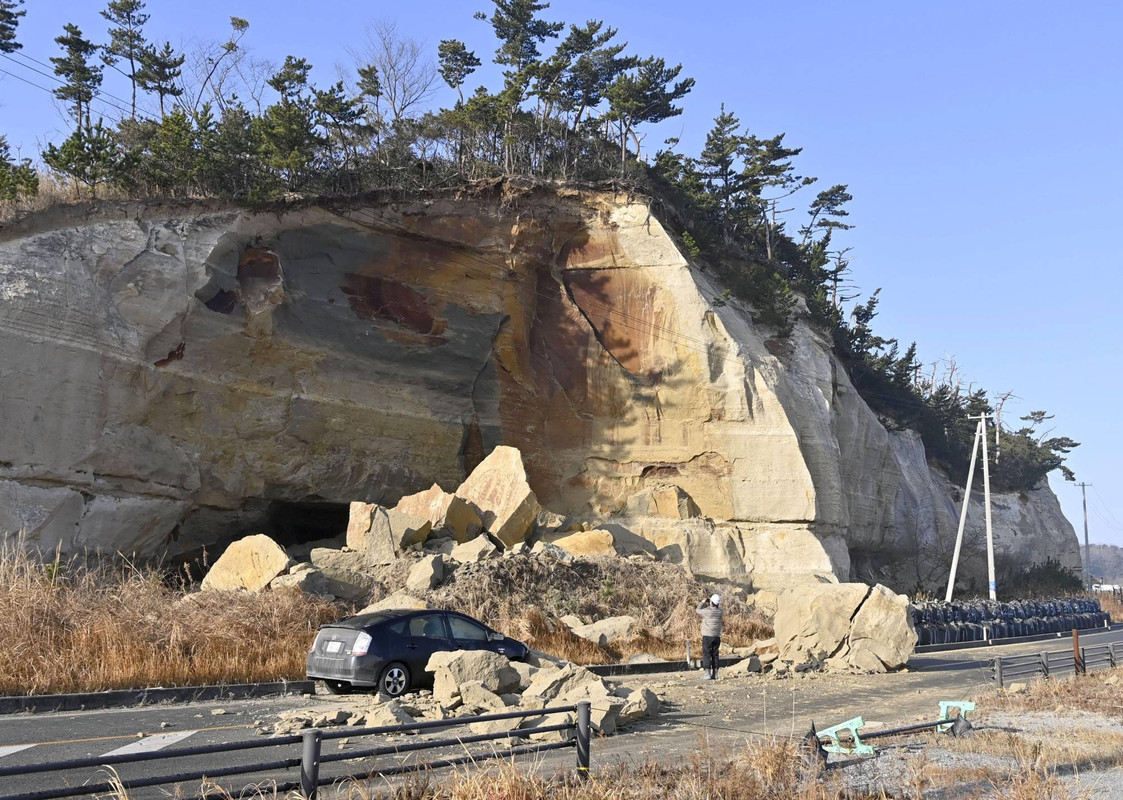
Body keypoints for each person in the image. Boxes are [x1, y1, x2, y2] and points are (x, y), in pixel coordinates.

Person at [696, 593, 723, 680]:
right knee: (715, 654)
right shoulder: (720, 612)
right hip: (716, 636)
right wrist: (710, 603)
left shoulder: (707, 611)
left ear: (711, 602)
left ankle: (707, 674)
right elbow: (715, 609)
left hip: (707, 635)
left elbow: (698, 610)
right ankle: (715, 674)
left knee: (707, 654)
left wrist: (703, 602)